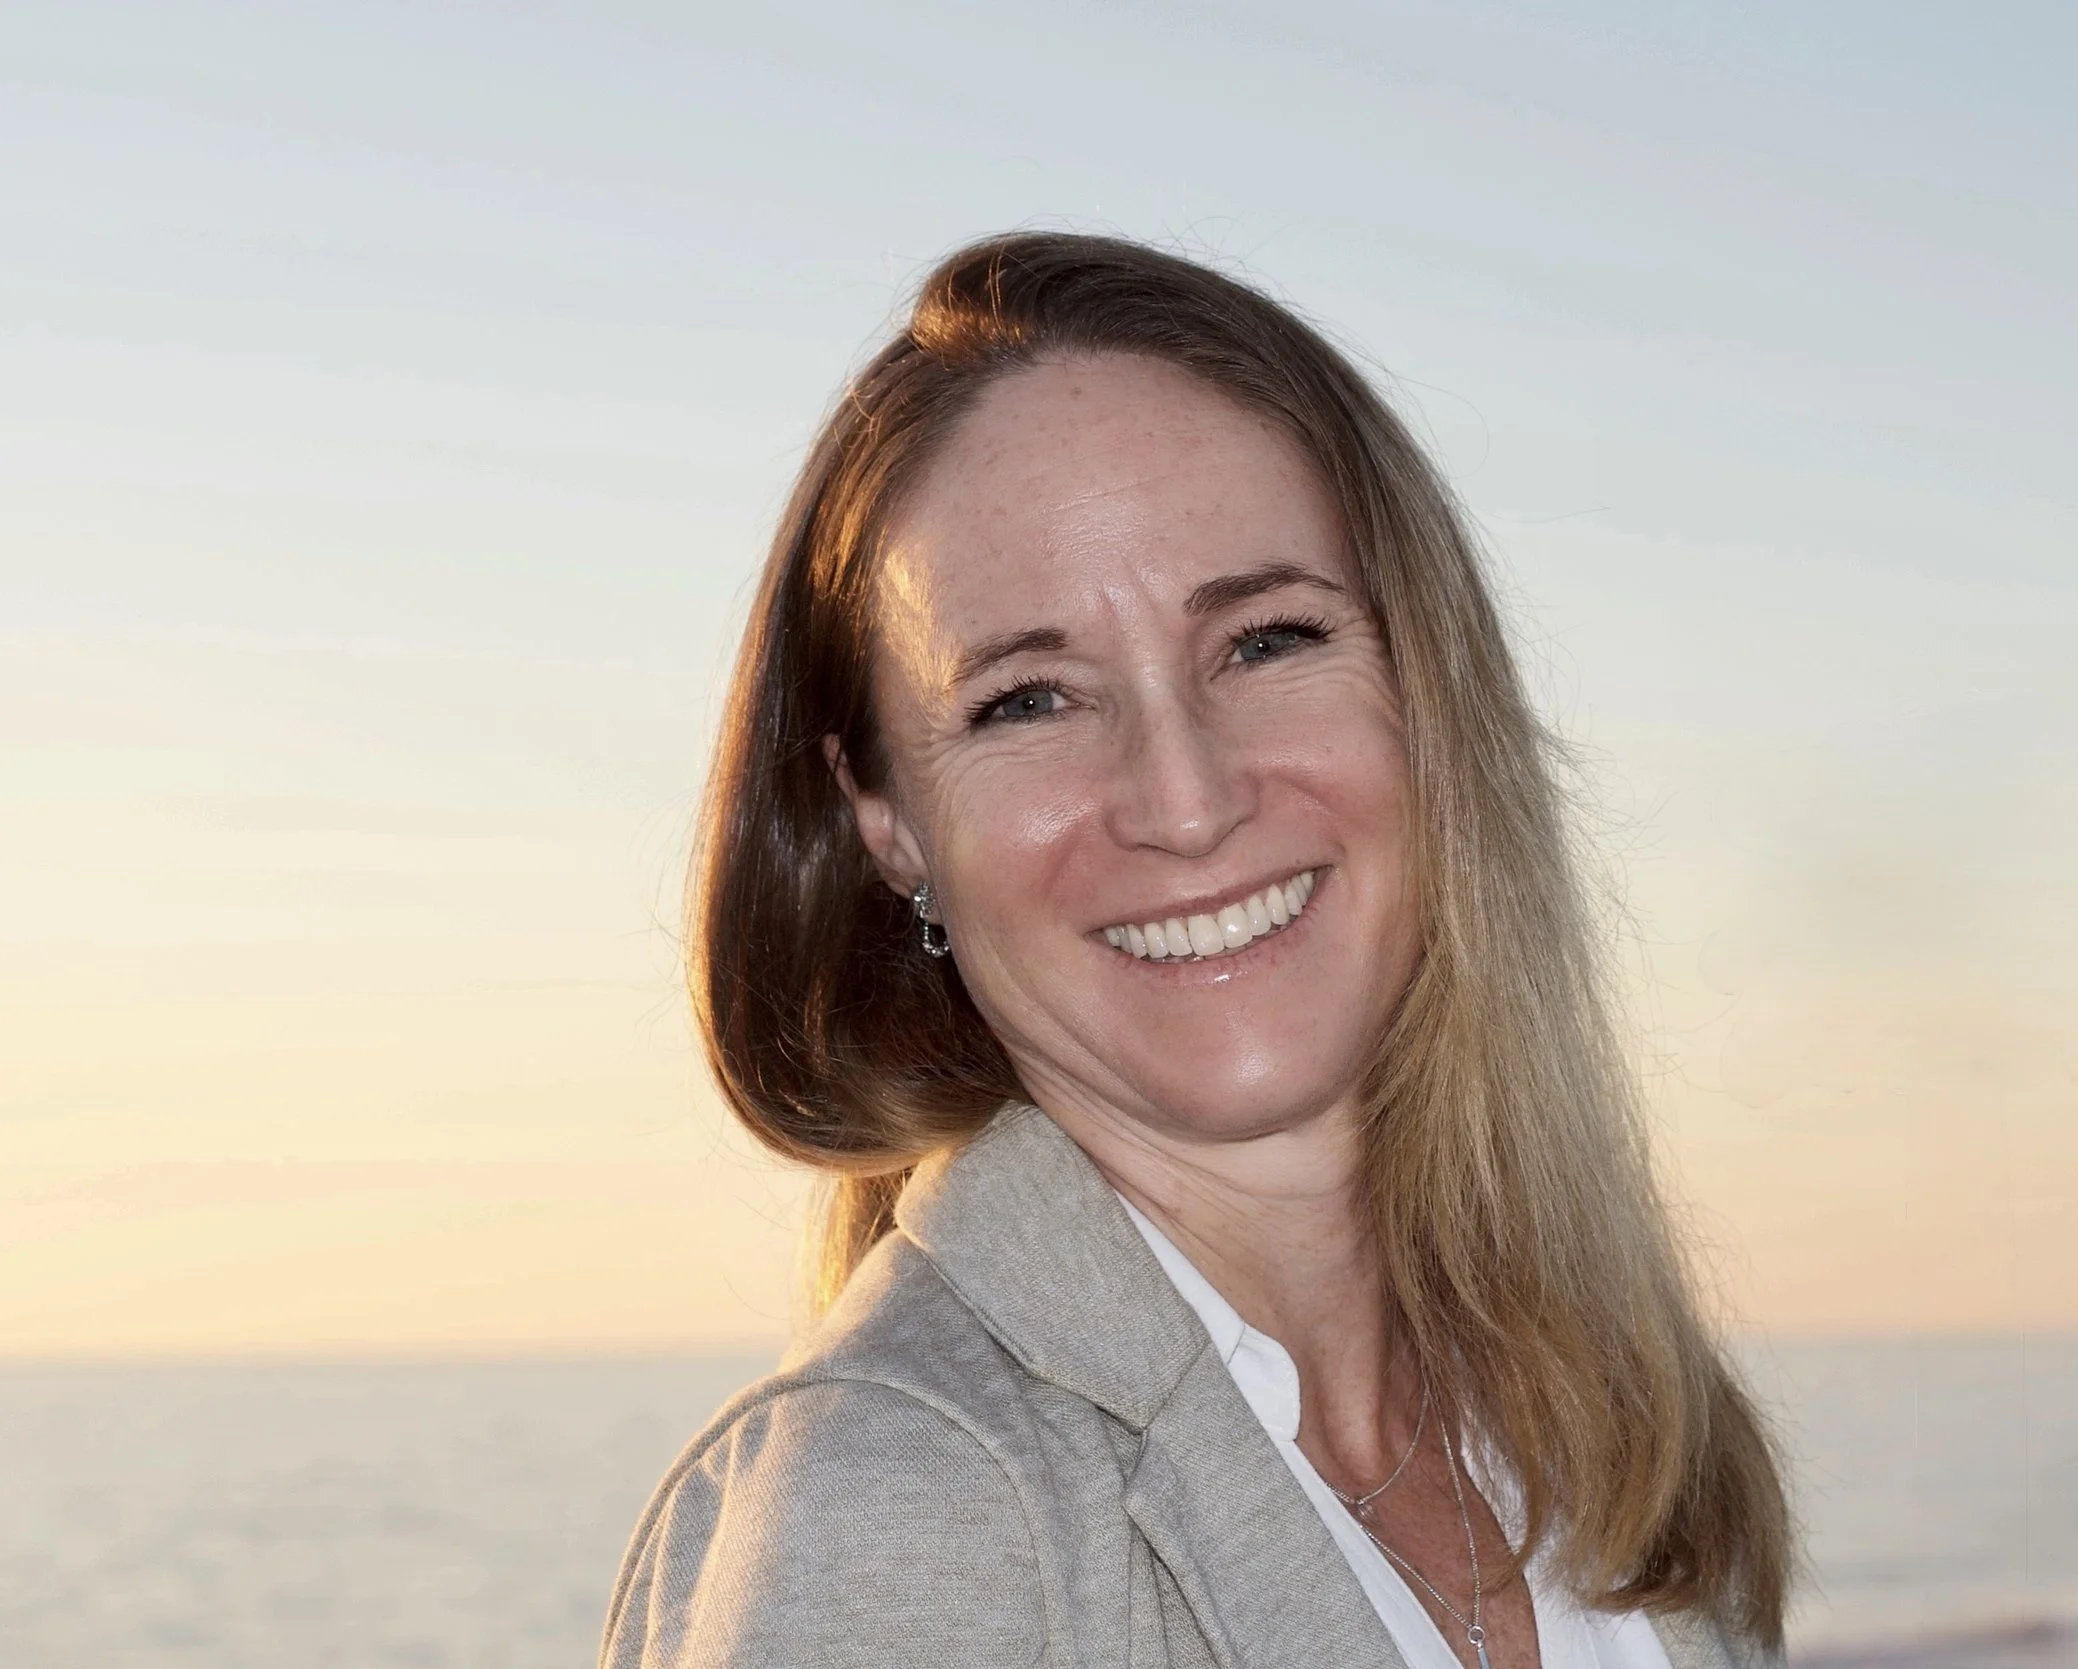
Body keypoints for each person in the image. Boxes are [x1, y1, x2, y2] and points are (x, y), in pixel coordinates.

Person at [601, 232, 1791, 1669]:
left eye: (1267, 642)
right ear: (886, 821)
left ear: (1429, 688)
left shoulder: (1602, 1419)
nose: (1185, 800)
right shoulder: (906, 1501)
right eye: (1029, 702)